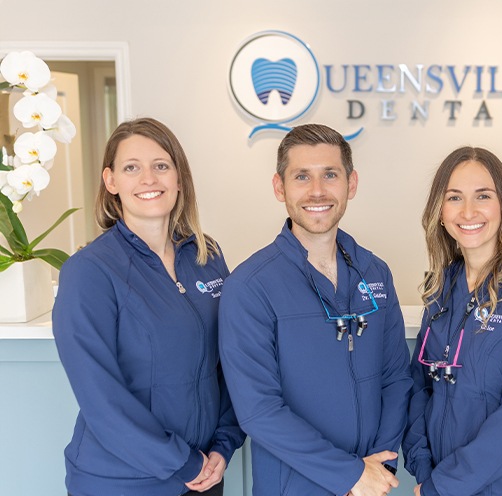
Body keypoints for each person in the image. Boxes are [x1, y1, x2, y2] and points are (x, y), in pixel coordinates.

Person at [53, 117, 245, 496]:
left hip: (204, 472)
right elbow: (101, 399)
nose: (149, 179)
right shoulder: (89, 271)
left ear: (178, 177)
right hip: (122, 481)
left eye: (161, 166)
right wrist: (183, 462)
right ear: (111, 181)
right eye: (131, 168)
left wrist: (224, 443)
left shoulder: (206, 255)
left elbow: (231, 360)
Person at [218, 123, 412, 496]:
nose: (317, 191)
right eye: (302, 176)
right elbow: (260, 411)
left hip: (373, 483)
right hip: (294, 486)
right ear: (280, 187)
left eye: (330, 175)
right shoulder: (250, 286)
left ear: (351, 184)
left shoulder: (375, 272)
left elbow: (396, 379)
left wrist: (379, 466)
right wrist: (349, 474)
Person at [402, 147, 502, 496]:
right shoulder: (441, 288)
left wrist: (443, 486)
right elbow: (420, 386)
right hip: (436, 479)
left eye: (483, 196)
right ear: (440, 211)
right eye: (454, 198)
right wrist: (422, 468)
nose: (468, 211)